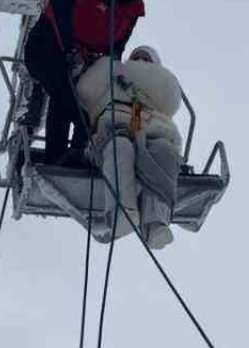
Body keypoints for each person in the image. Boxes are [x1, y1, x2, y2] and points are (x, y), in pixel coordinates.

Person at [75, 45, 183, 249]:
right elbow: (85, 92)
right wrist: (106, 68)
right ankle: (122, 212)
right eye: (137, 57)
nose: (140, 61)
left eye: (146, 59)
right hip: (114, 128)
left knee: (162, 153)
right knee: (120, 146)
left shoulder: (161, 88)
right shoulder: (113, 74)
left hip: (152, 131)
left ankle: (155, 223)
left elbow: (170, 102)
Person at [22, 0, 146, 165]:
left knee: (90, 106)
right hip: (47, 47)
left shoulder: (131, 10)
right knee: (65, 96)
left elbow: (117, 47)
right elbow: (61, 15)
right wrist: (70, 50)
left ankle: (78, 154)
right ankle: (56, 157)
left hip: (80, 58)